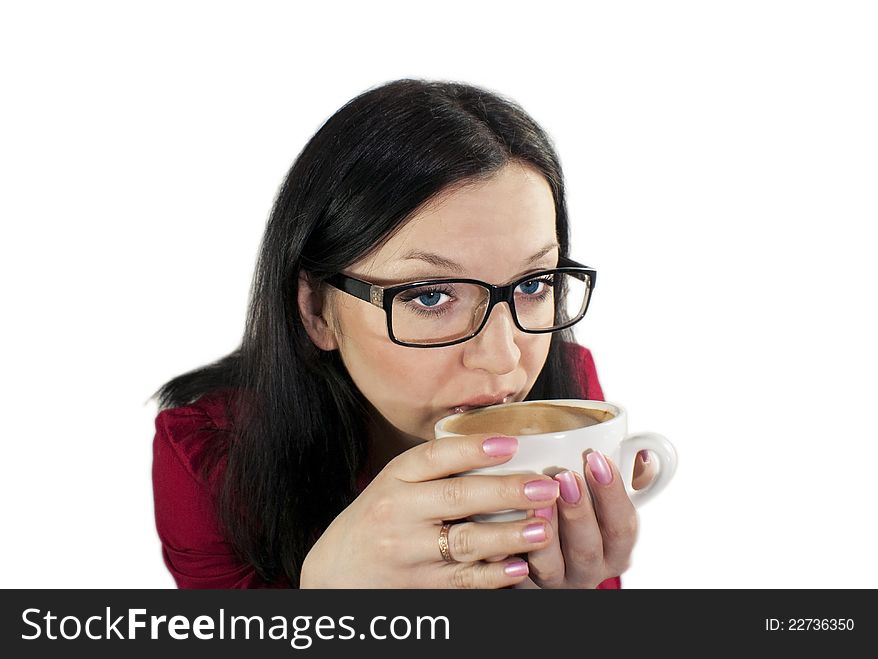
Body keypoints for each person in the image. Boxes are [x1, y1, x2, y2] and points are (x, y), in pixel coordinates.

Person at [151, 78, 655, 589]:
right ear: (317, 311)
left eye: (533, 282)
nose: (504, 360)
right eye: (430, 295)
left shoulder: (569, 395)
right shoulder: (211, 459)